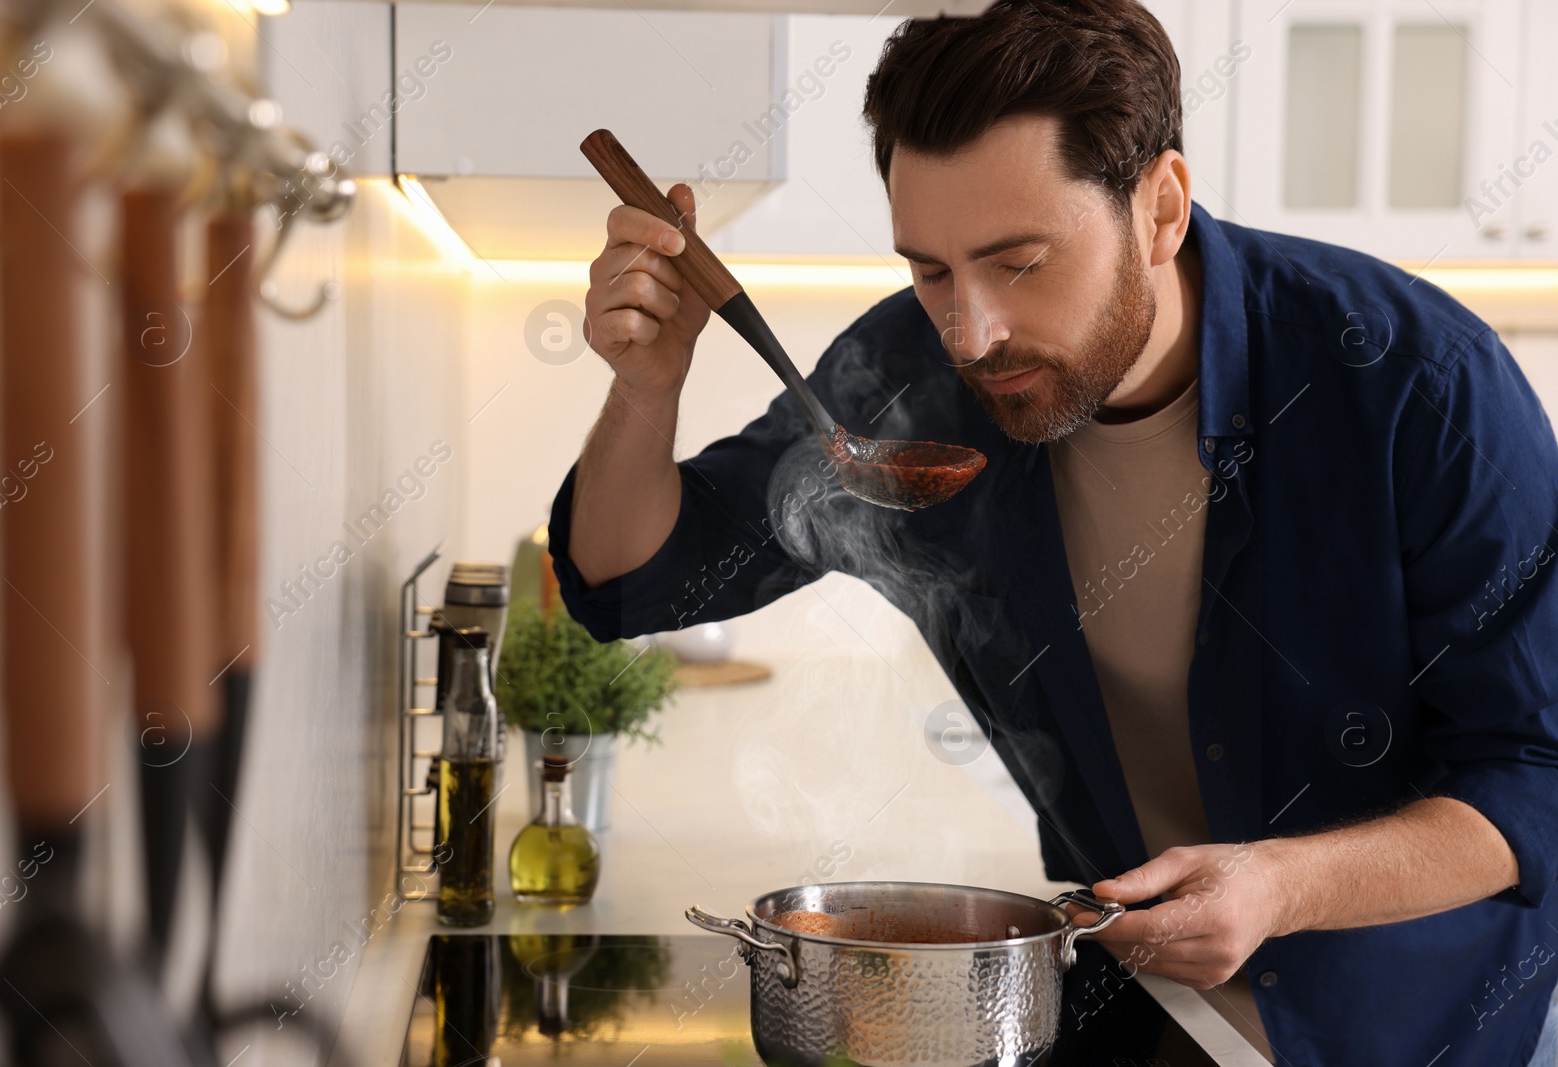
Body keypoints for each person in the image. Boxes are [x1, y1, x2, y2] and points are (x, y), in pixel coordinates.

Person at [547, 1, 1558, 1063]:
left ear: (1159, 207)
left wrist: (1280, 884)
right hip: (1133, 1003)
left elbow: (1533, 769)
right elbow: (632, 584)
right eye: (927, 269)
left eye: (1018, 261)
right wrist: (645, 388)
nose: (969, 332)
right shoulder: (915, 370)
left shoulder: (1413, 382)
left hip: (1410, 1026)